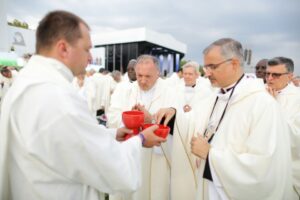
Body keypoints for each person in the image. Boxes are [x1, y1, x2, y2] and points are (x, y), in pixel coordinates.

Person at [0, 10, 166, 200]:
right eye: (87, 49)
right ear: (63, 49)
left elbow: (67, 141)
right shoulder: (57, 96)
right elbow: (113, 168)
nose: (89, 58)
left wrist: (113, 134)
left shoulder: (26, 82)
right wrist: (141, 140)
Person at [156, 38, 297, 199]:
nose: (206, 73)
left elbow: (264, 168)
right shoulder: (216, 96)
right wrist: (174, 116)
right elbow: (193, 123)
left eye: (212, 67)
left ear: (234, 64)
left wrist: (210, 155)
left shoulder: (263, 104)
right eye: (206, 67)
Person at [107, 55, 177, 200]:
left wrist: (150, 118)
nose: (143, 81)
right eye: (139, 75)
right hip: (129, 154)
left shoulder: (171, 91)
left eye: (148, 76)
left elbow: (179, 124)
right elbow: (112, 116)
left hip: (157, 158)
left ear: (158, 73)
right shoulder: (124, 89)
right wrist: (130, 119)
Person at [265, 57, 300, 197]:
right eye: (268, 74)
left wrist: (274, 107)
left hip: (287, 168)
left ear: (290, 76)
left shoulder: (297, 98)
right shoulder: (259, 94)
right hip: (261, 168)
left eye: (276, 75)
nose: (269, 78)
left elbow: (296, 137)